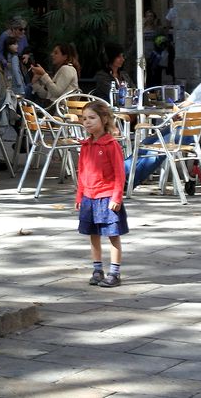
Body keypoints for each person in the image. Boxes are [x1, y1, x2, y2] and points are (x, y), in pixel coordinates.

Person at [77, 100, 128, 288]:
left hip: (107, 196)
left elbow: (119, 173)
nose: (87, 122)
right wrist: (79, 195)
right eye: (84, 119)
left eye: (92, 118)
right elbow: (81, 172)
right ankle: (97, 269)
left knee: (113, 235)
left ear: (104, 119)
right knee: (93, 234)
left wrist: (117, 196)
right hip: (89, 197)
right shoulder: (85, 146)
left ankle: (114, 272)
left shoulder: (111, 145)